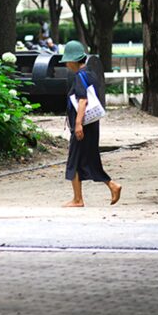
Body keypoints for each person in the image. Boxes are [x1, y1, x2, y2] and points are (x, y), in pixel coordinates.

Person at [60, 40, 121, 207]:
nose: (66, 64)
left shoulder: (80, 76)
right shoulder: (90, 74)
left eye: (67, 60)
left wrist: (78, 124)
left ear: (73, 60)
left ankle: (78, 199)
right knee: (90, 159)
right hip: (92, 124)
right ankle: (111, 186)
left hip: (83, 125)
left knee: (74, 160)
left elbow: (82, 101)